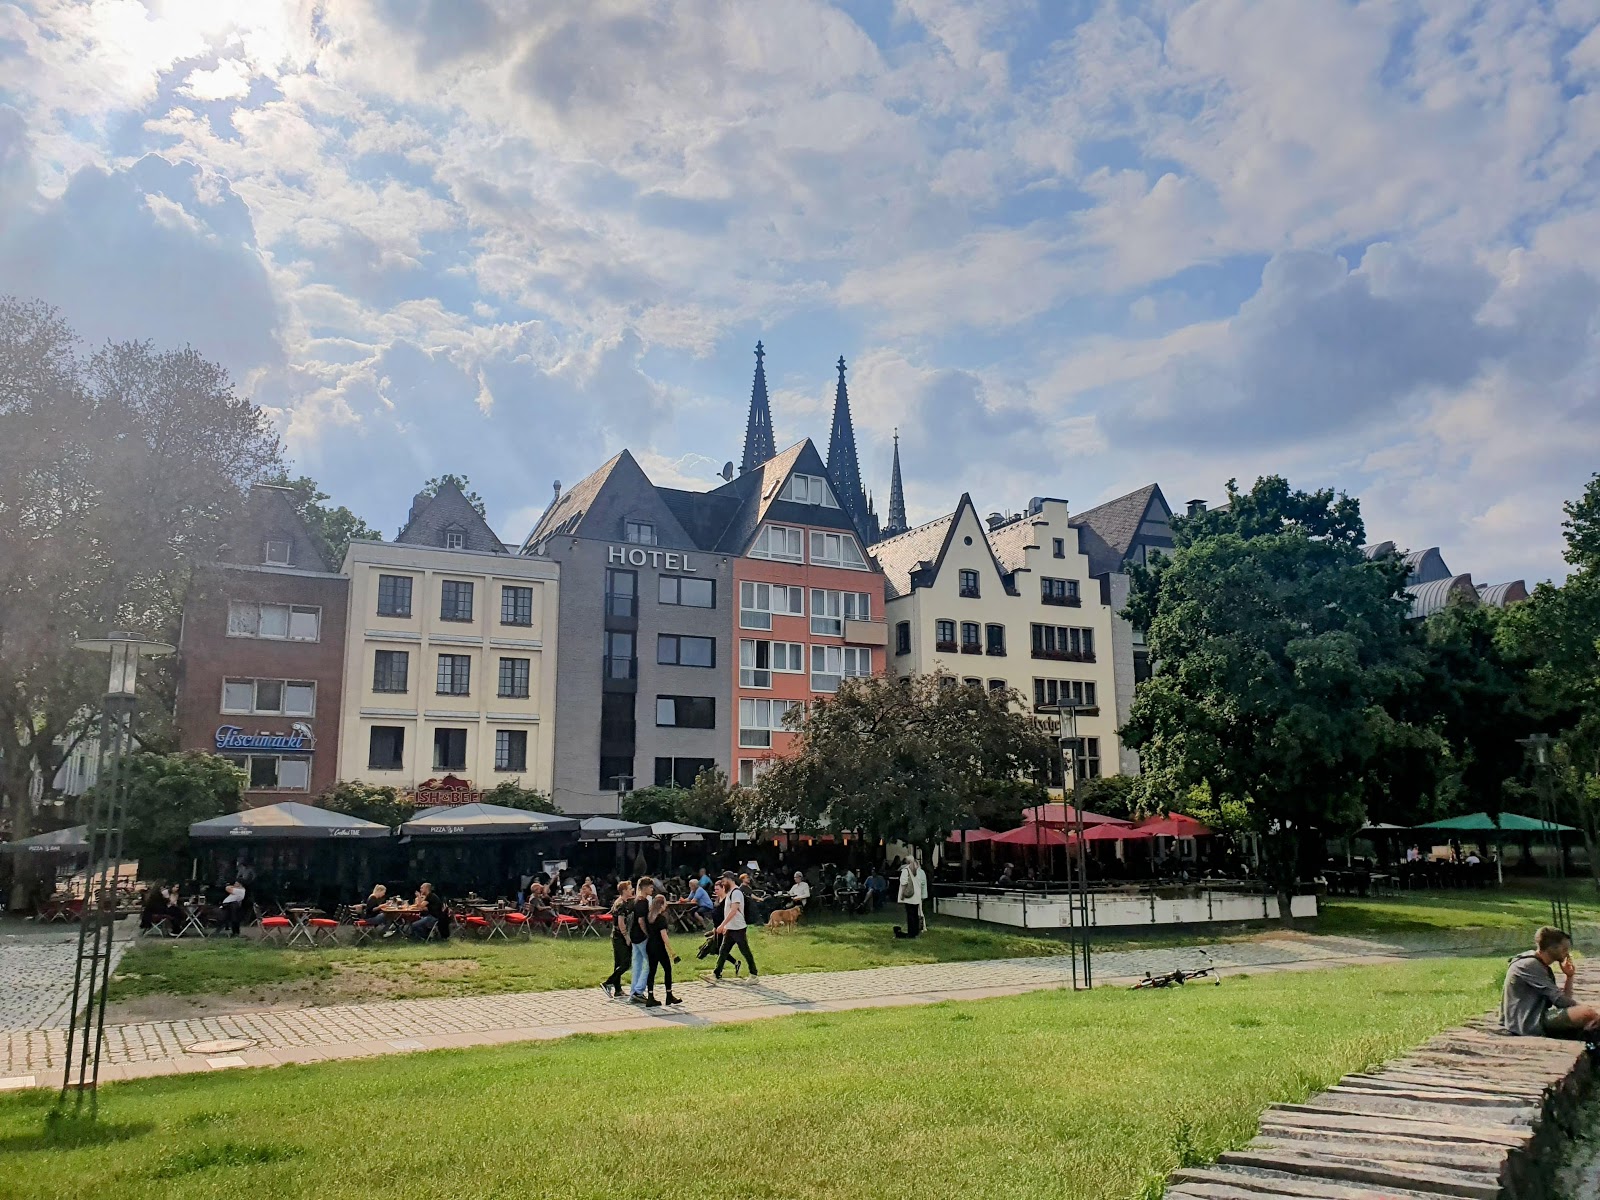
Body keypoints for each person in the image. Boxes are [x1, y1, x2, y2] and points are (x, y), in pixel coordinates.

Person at [1502, 927, 1600, 1039]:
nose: (1567, 953)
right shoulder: (1530, 965)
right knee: (1587, 1013)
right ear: (1552, 948)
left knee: (1588, 1022)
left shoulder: (1540, 964)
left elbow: (1564, 1001)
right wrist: (1588, 1011)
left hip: (1537, 1016)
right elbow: (1559, 1000)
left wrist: (1569, 976)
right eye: (1564, 949)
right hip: (1528, 1022)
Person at [713, 872, 759, 981]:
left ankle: (754, 974)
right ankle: (716, 973)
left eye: (723, 880)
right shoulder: (729, 892)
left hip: (738, 927)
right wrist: (726, 926)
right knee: (723, 950)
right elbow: (727, 910)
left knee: (745, 951)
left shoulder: (737, 892)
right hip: (730, 927)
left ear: (729, 879)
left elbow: (734, 911)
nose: (723, 883)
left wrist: (722, 924)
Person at [644, 894, 683, 1007]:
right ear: (661, 905)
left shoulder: (649, 917)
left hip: (650, 946)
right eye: (665, 903)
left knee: (652, 971)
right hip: (659, 947)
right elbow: (664, 935)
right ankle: (669, 995)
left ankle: (650, 996)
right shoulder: (661, 919)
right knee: (667, 969)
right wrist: (671, 951)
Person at [603, 881, 634, 997]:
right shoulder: (621, 904)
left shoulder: (620, 902)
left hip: (615, 936)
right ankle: (607, 983)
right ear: (624, 891)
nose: (632, 890)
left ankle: (618, 990)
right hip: (620, 937)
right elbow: (621, 923)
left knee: (618, 963)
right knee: (626, 963)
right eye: (630, 888)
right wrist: (626, 937)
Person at [628, 878, 655, 1003]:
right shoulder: (642, 902)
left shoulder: (635, 900)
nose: (652, 889)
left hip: (634, 936)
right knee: (650, 963)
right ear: (644, 888)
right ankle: (639, 990)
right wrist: (647, 934)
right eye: (650, 887)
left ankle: (633, 990)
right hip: (641, 936)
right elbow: (641, 920)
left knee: (637, 963)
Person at [894, 857, 924, 939]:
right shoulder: (919, 871)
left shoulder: (905, 870)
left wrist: (902, 895)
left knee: (910, 915)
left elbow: (904, 883)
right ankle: (915, 932)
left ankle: (911, 933)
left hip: (909, 896)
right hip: (916, 896)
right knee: (915, 914)